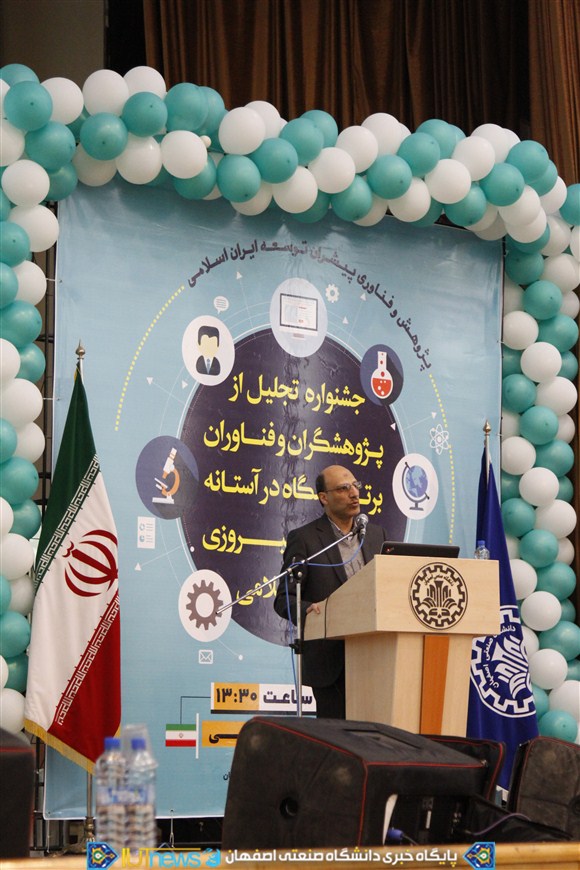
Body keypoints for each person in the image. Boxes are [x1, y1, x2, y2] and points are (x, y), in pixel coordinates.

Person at [274, 464, 389, 719]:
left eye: (355, 486)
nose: (354, 494)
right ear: (324, 497)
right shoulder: (305, 539)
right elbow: (284, 598)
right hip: (331, 664)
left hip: (377, 657)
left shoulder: (376, 535)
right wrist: (309, 610)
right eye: (343, 488)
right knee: (338, 737)